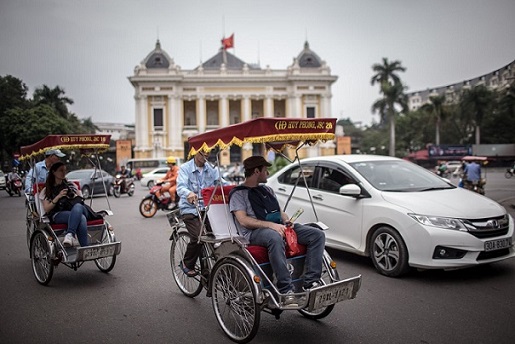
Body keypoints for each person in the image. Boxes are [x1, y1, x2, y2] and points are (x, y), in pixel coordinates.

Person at [229, 156, 325, 305]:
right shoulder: (238, 194)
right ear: (256, 171)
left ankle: (311, 282)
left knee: (316, 234)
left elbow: (280, 212)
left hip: (279, 227)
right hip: (254, 233)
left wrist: (287, 220)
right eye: (265, 170)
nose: (268, 173)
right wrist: (271, 225)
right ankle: (285, 289)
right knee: (274, 236)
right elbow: (243, 220)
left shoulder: (267, 190)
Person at [176, 151, 220, 277]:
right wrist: (188, 193)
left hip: (208, 209)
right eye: (202, 154)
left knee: (219, 235)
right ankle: (187, 263)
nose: (205, 157)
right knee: (198, 236)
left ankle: (217, 267)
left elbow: (221, 182)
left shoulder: (211, 169)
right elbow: (181, 187)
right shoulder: (185, 168)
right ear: (195, 153)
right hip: (190, 209)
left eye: (207, 154)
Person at [40, 162, 89, 247]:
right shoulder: (47, 189)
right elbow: (47, 209)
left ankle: (69, 234)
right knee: (81, 218)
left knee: (78, 207)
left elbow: (80, 200)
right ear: (54, 172)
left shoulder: (70, 185)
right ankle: (85, 247)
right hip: (58, 213)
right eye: (61, 170)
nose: (63, 173)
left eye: (65, 170)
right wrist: (58, 196)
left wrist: (73, 195)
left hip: (76, 209)